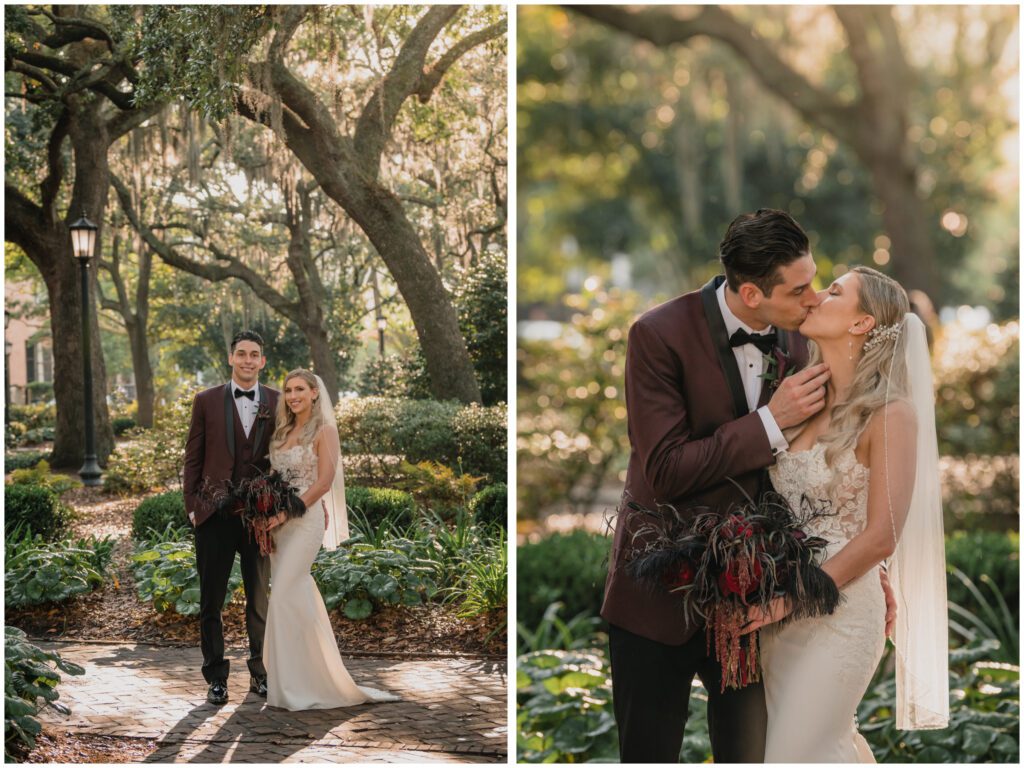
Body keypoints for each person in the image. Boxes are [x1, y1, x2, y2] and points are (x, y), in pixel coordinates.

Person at [604, 209, 836, 762]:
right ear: (752, 293)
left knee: (749, 755)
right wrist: (771, 423)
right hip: (656, 595)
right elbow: (665, 468)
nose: (815, 299)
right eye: (800, 289)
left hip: (751, 602)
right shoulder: (657, 335)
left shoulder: (802, 343)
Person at [746, 266, 949, 761]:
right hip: (776, 615)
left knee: (795, 753)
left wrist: (789, 599)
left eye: (834, 292)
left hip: (840, 613)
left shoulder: (891, 413)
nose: (816, 297)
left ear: (861, 323)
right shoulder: (798, 396)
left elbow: (883, 535)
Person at [260, 369, 395, 710]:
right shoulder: (282, 431)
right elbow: (273, 479)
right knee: (291, 596)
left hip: (305, 522)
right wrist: (263, 515)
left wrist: (285, 513)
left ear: (314, 393)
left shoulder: (325, 430)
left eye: (300, 389)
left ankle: (311, 683)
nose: (293, 396)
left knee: (285, 594)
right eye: (288, 390)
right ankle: (294, 679)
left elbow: (323, 482)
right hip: (277, 525)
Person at [183, 330, 276, 705]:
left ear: (263, 361)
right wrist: (192, 505)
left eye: (255, 355)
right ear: (231, 358)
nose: (248, 360)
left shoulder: (277, 400)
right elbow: (193, 455)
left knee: (259, 600)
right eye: (242, 354)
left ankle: (261, 673)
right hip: (214, 515)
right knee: (212, 602)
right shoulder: (206, 400)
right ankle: (216, 678)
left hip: (259, 517)